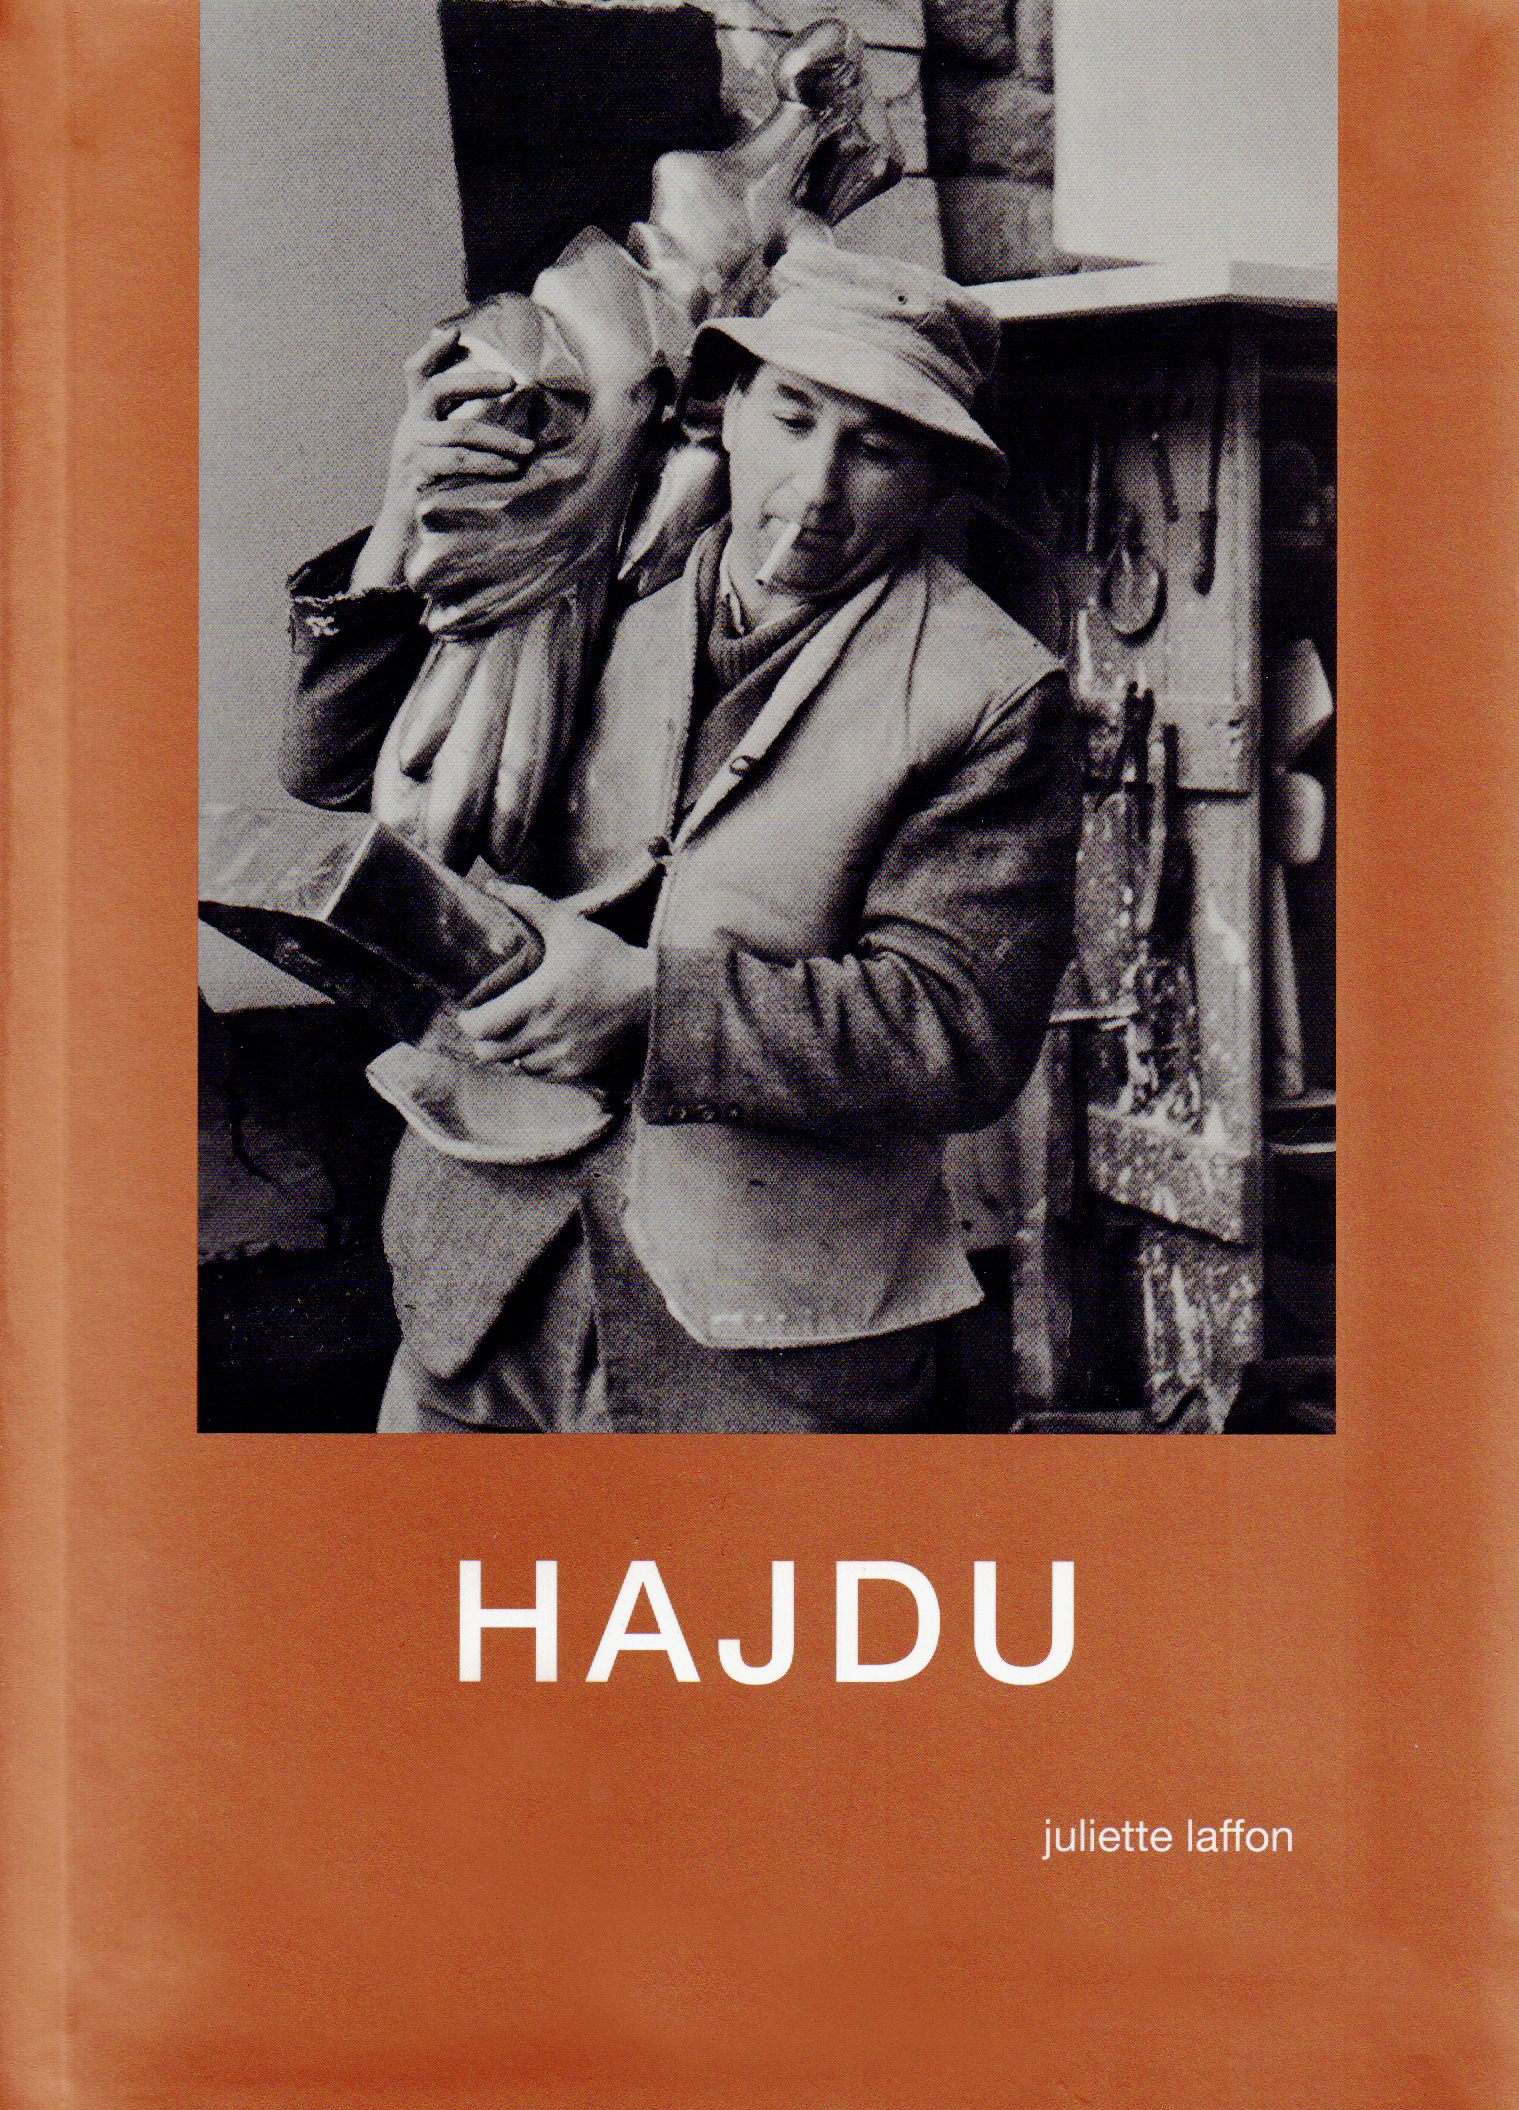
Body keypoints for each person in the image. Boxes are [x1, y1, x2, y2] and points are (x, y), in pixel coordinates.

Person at [282, 240, 1080, 1432]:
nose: (816, 488)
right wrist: (402, 523)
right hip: (484, 1286)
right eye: (793, 419)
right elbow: (331, 769)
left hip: (766, 1342)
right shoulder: (595, 567)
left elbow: (956, 1030)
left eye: (876, 451)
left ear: (935, 480)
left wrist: (652, 1007)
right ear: (726, 409)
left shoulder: (992, 689)